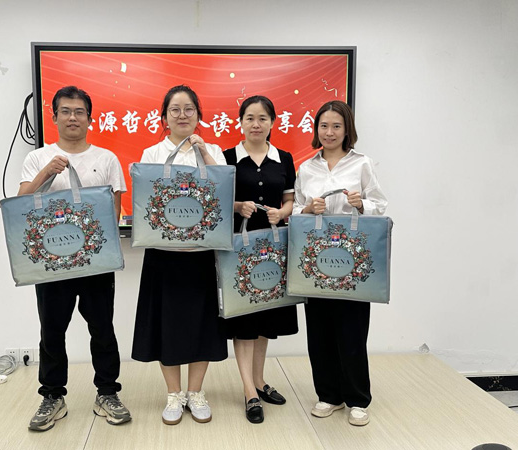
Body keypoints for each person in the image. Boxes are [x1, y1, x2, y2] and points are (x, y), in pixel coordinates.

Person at [18, 86, 131, 431]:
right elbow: (21, 202)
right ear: (54, 117)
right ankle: (53, 396)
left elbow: (114, 212)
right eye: (65, 111)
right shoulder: (38, 158)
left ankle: (107, 393)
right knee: (52, 330)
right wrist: (47, 173)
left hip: (95, 262)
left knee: (103, 328)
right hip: (51, 264)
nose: (72, 117)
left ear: (89, 119)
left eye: (79, 111)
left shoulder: (106, 159)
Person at [131, 85, 228, 425]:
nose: (182, 115)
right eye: (175, 109)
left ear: (199, 115)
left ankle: (196, 392)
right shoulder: (152, 153)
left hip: (202, 254)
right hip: (164, 255)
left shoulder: (213, 150)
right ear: (164, 117)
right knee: (166, 325)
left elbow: (224, 191)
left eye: (189, 109)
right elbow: (145, 201)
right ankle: (174, 394)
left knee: (202, 324)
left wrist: (204, 153)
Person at [292, 100, 387, 427]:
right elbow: (295, 211)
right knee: (319, 331)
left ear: (347, 130)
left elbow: (381, 205)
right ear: (316, 129)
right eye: (324, 126)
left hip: (352, 260)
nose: (329, 132)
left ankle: (357, 399)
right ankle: (329, 395)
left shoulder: (361, 164)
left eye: (336, 126)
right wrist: (307, 210)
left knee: (352, 330)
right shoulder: (307, 167)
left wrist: (362, 205)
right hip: (316, 260)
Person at [223, 95, 298, 424]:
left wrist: (282, 213)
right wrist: (238, 206)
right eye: (250, 118)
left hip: (274, 248)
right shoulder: (227, 158)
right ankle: (248, 392)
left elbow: (290, 200)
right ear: (240, 122)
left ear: (272, 123)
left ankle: (259, 379)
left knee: (266, 318)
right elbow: (214, 201)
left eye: (263, 118)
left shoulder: (284, 158)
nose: (256, 124)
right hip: (239, 249)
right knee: (244, 320)